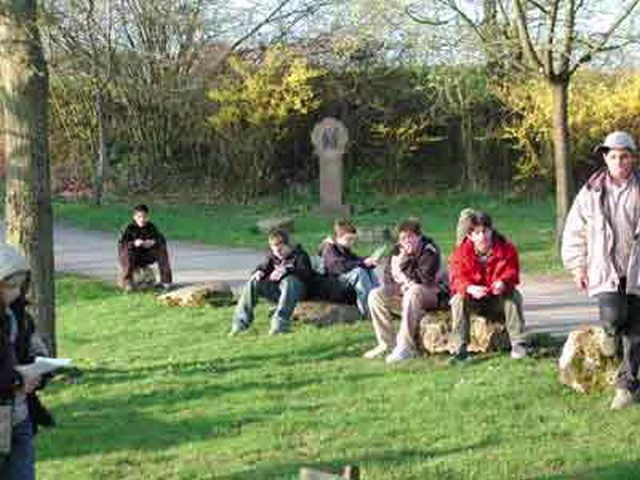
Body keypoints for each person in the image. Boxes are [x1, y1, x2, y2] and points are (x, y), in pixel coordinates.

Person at [562, 131, 640, 409]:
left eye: (624, 156)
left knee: (636, 330)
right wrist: (577, 266)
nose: (619, 162)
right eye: (613, 156)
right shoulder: (591, 192)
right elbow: (574, 231)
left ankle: (626, 386)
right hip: (605, 270)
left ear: (632, 159)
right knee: (614, 317)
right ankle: (609, 331)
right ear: (606, 159)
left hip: (637, 270)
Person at [0, 245, 54, 480]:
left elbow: (34, 349)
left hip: (20, 418)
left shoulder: (20, 316)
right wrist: (17, 379)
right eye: (10, 284)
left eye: (20, 284)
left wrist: (40, 370)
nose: (16, 290)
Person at [448, 211, 527, 363]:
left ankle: (518, 343)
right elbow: (457, 278)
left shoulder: (507, 249)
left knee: (514, 295)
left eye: (485, 231)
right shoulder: (461, 252)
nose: (482, 236)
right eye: (477, 233)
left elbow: (513, 273)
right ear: (470, 235)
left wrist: (503, 282)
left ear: (491, 231)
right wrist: (470, 288)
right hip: (474, 300)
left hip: (497, 299)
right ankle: (459, 348)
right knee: (458, 299)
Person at [364, 219, 441, 363]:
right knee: (375, 295)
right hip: (404, 292)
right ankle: (386, 343)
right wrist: (399, 286)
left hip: (429, 293)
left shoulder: (429, 250)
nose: (407, 241)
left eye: (410, 237)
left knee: (414, 291)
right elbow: (388, 279)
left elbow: (424, 278)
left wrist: (404, 264)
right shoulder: (396, 251)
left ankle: (406, 346)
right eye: (403, 238)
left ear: (418, 236)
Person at [230, 229, 314, 335]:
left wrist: (286, 270)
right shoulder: (273, 256)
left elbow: (306, 274)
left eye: (281, 249)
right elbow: (264, 267)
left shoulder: (300, 255)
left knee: (289, 280)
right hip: (278, 292)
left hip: (297, 291)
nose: (278, 253)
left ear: (288, 245)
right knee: (253, 281)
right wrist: (259, 272)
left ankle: (279, 325)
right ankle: (240, 325)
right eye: (275, 250)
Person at [319, 220, 380, 317]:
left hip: (343, 278)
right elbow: (338, 266)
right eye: (349, 239)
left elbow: (355, 259)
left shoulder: (343, 247)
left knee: (368, 270)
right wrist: (362, 263)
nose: (351, 242)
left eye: (353, 239)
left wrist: (368, 261)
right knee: (359, 272)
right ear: (339, 237)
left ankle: (379, 302)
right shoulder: (329, 248)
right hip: (334, 282)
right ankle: (367, 310)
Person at [117, 204, 172, 292]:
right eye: (139, 217)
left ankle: (165, 282)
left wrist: (153, 242)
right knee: (128, 251)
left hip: (146, 256)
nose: (142, 219)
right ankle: (127, 283)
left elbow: (161, 240)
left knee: (161, 249)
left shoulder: (151, 227)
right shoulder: (128, 228)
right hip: (131, 258)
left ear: (147, 217)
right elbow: (121, 245)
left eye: (144, 217)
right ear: (134, 217)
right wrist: (134, 244)